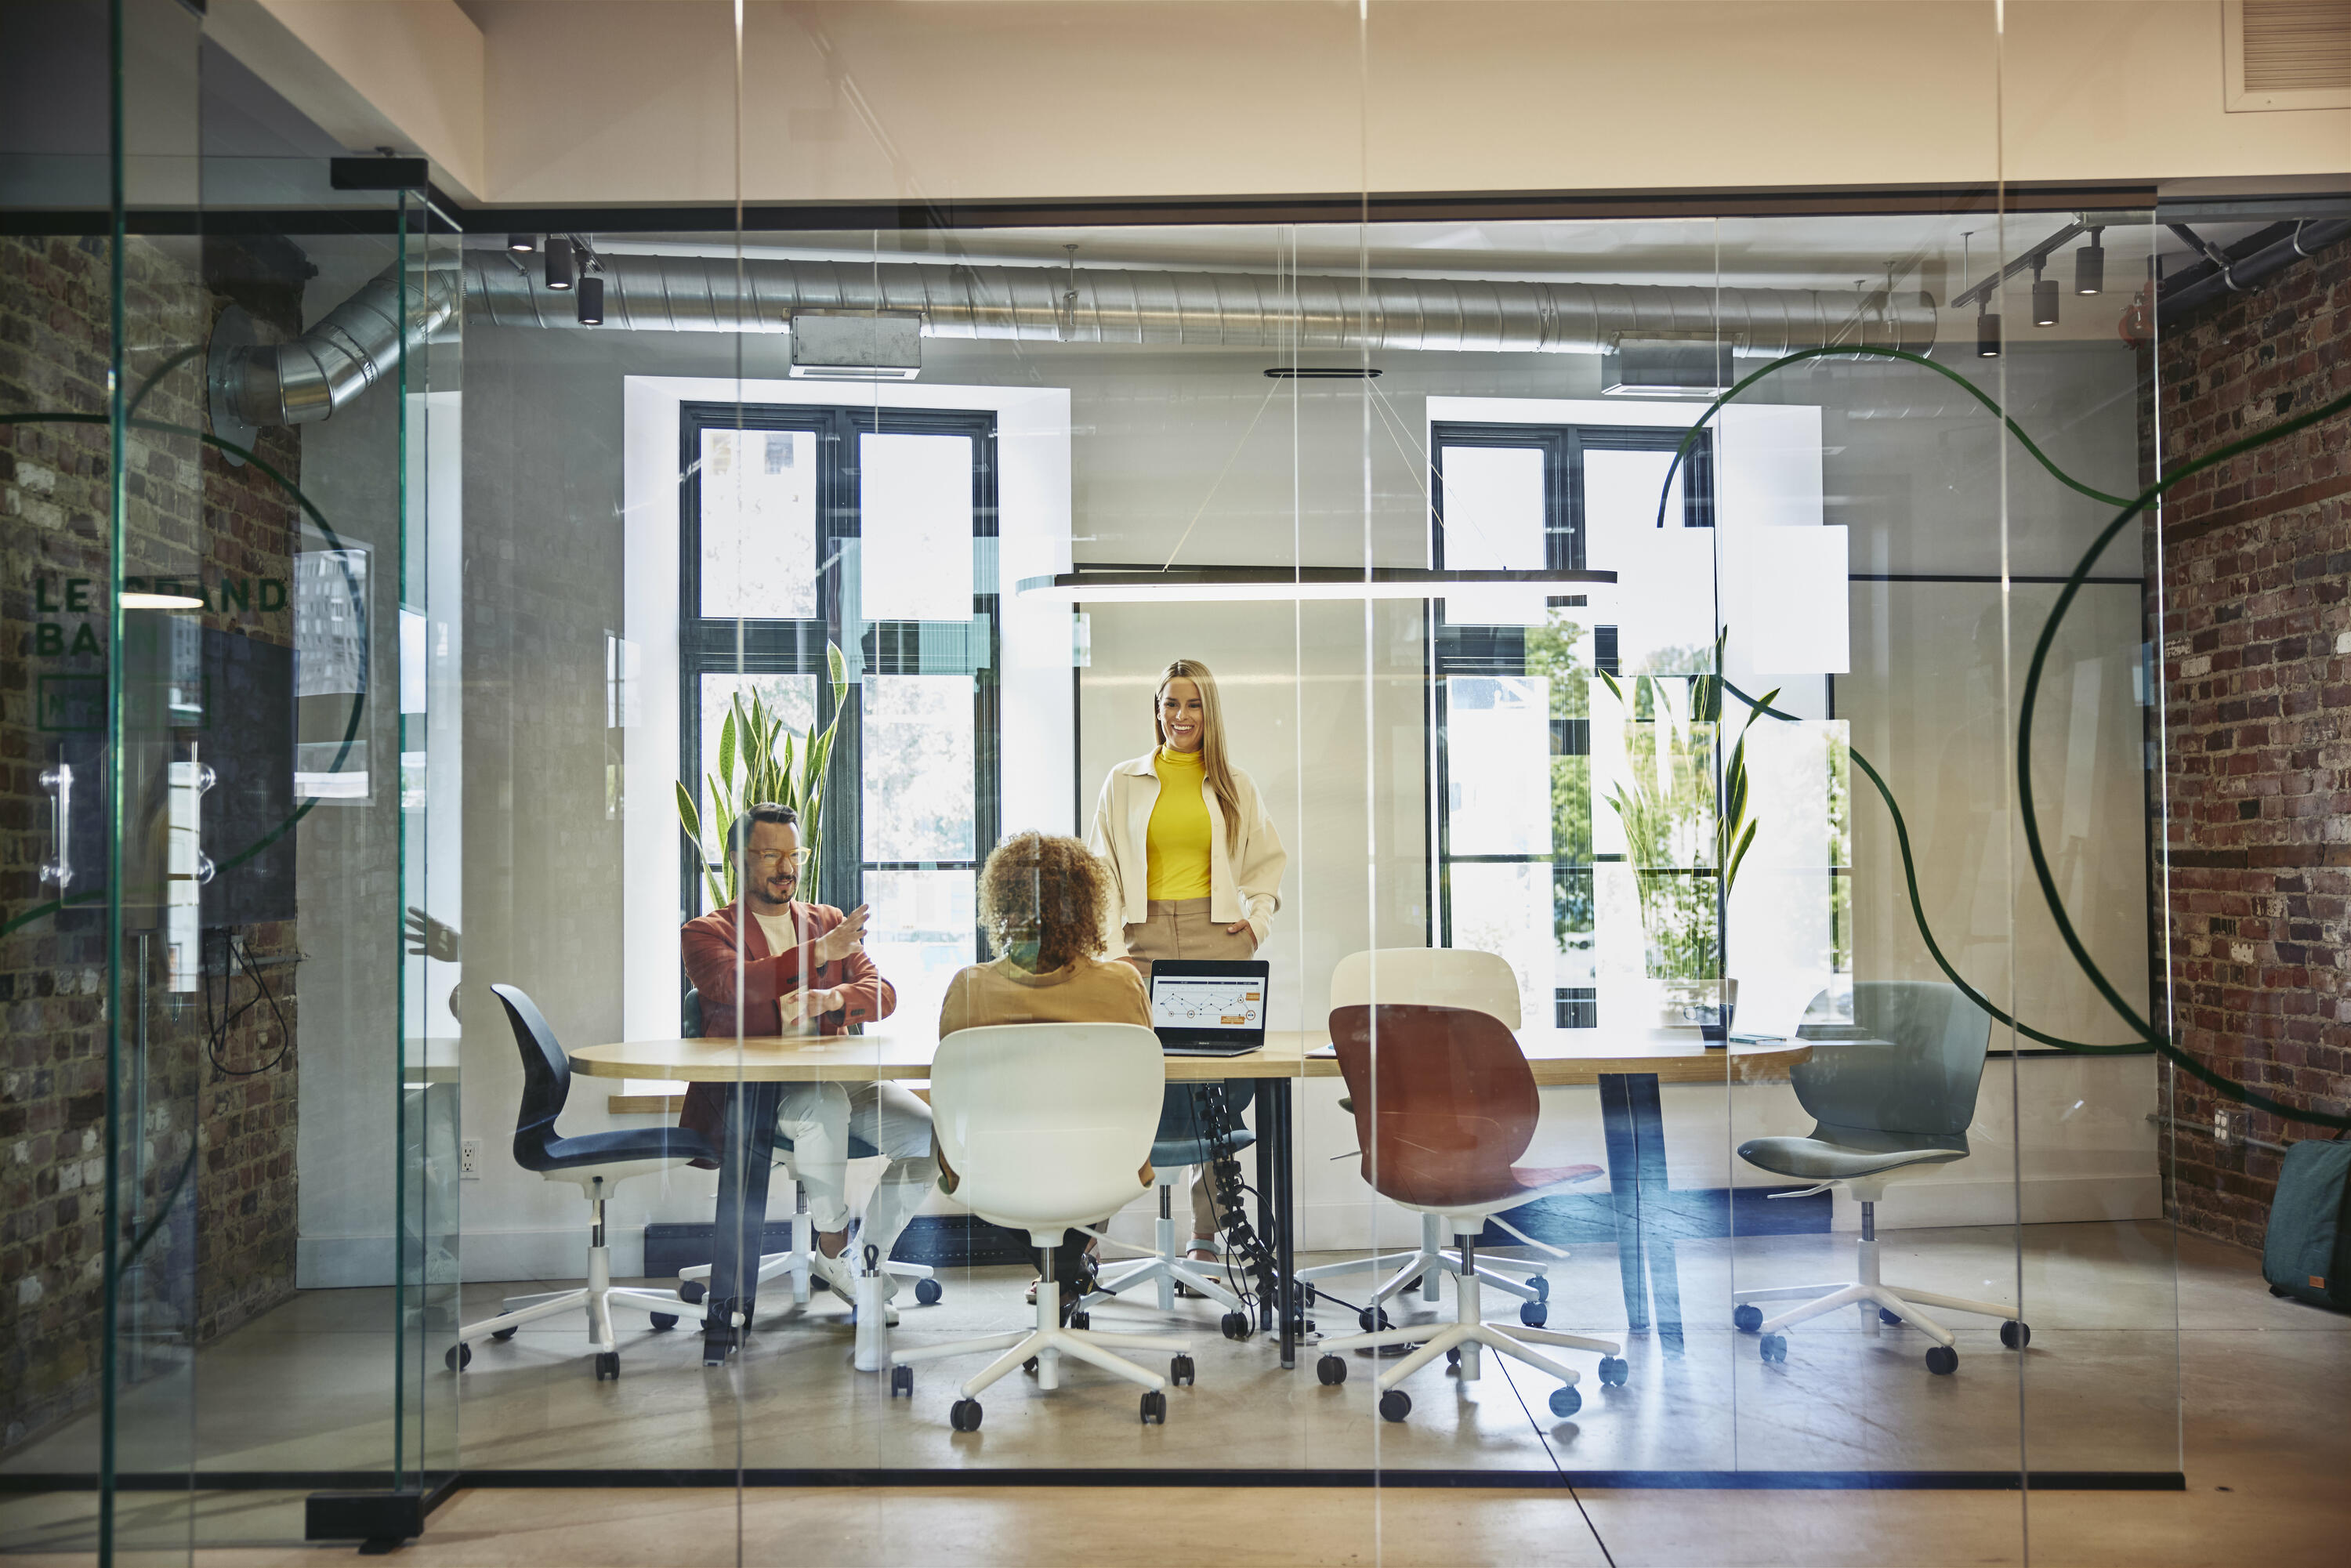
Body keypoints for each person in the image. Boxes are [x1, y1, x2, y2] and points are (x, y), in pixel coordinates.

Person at [678, 802, 936, 1319]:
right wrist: (816, 954)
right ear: (738, 859)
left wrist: (835, 998)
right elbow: (735, 986)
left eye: (795, 854)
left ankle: (861, 1259)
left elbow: (881, 993)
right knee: (823, 1105)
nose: (787, 867)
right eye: (772, 854)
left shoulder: (828, 921)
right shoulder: (706, 932)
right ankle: (837, 1244)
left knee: (930, 1137)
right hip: (762, 1095)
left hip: (842, 1080)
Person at [1085, 657, 1285, 1273]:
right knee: (1122, 1082)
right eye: (1169, 704)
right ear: (1156, 710)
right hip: (1139, 940)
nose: (1180, 716)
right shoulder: (1124, 781)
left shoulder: (1234, 784)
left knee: (1219, 1089)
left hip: (1213, 935)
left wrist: (1254, 922)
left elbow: (1266, 865)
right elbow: (1101, 871)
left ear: (1209, 712)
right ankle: (1084, 1238)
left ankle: (1210, 1229)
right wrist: (1115, 951)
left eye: (1192, 705)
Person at [936, 830, 1154, 1312]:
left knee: (1014, 1156)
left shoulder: (970, 988)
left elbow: (954, 1095)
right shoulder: (1121, 984)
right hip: (1101, 1162)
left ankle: (1064, 1274)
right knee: (1092, 1139)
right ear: (1085, 907)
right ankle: (1069, 1271)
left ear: (1002, 906)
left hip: (993, 1168)